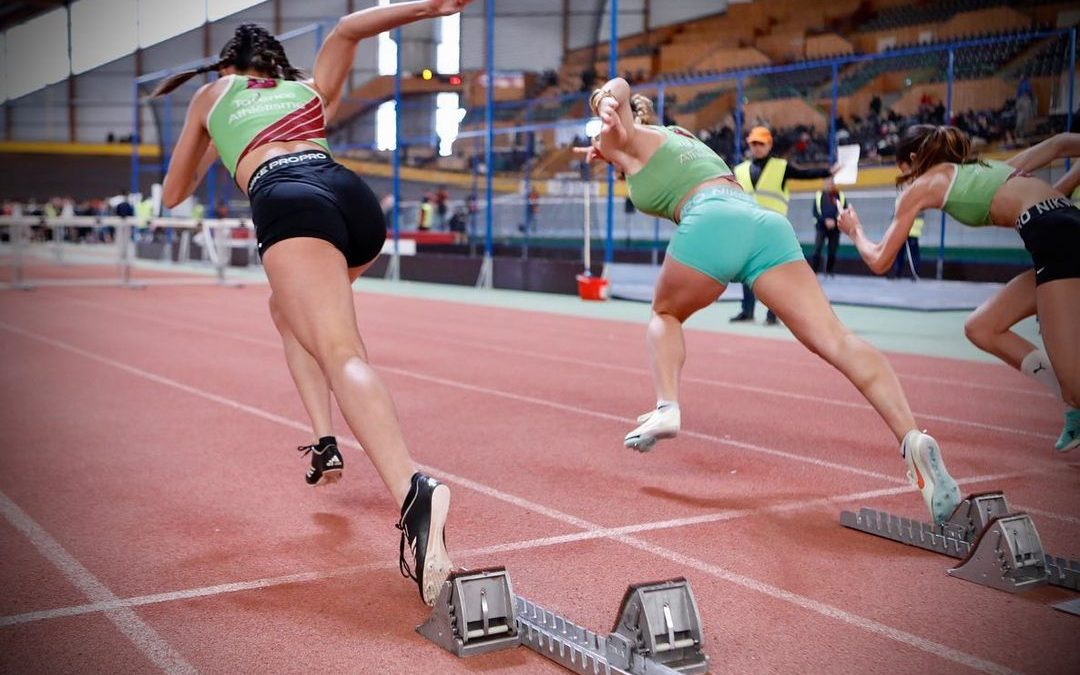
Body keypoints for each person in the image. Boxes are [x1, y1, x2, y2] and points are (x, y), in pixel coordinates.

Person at [155, 0, 470, 605]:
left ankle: (414, 490)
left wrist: (208, 152)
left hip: (288, 200)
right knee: (288, 313)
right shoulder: (305, 88)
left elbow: (173, 194)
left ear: (228, 69)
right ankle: (326, 440)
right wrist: (432, 5)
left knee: (340, 351)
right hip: (352, 200)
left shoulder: (213, 97)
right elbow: (350, 27)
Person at [577, 78, 961, 525]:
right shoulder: (675, 138)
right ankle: (911, 438)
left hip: (711, 222)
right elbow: (628, 142)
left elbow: (620, 89)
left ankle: (667, 407)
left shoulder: (623, 133)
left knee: (665, 314)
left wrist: (607, 101)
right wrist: (607, 144)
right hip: (765, 225)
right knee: (837, 339)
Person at [838, 125, 1079, 452]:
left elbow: (880, 260)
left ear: (914, 159)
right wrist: (1055, 202)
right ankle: (1070, 404)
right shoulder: (989, 168)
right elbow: (1060, 143)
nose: (905, 179)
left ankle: (1072, 398)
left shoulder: (923, 185)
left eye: (903, 171)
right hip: (1060, 226)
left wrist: (855, 231)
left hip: (1056, 239)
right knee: (981, 327)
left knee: (1076, 386)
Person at [730, 126, 836, 325]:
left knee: (772, 274)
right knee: (745, 272)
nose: (757, 147)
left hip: (772, 229)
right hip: (747, 229)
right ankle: (747, 310)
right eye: (754, 143)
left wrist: (827, 171)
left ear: (769, 144)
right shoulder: (739, 170)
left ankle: (772, 313)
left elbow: (805, 174)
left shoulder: (781, 167)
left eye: (761, 143)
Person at [809, 178, 847, 277]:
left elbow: (844, 210)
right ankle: (814, 271)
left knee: (832, 250)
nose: (830, 185)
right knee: (817, 249)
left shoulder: (840, 195)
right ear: (824, 184)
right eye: (828, 183)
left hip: (835, 227)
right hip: (821, 227)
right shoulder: (819, 195)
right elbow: (815, 212)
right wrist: (825, 220)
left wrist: (834, 220)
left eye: (831, 183)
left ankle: (829, 271)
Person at [891, 191, 924, 280]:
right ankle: (897, 272)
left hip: (912, 229)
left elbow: (918, 212)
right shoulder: (900, 196)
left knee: (913, 253)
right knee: (899, 252)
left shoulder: (916, 195)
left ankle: (915, 273)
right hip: (901, 228)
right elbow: (896, 213)